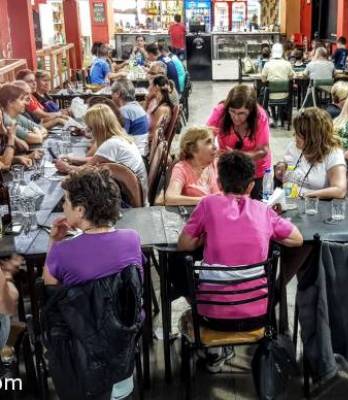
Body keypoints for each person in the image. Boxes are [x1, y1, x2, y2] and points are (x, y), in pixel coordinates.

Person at [177, 151, 303, 371]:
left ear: (218, 182)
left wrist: (205, 238)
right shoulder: (263, 211)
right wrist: (267, 233)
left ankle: (215, 352)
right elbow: (297, 239)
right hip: (258, 315)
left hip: (211, 315)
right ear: (251, 186)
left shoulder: (207, 205)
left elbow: (185, 245)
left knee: (180, 273)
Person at [42, 167, 143, 399]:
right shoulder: (132, 239)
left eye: (66, 201)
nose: (63, 206)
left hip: (82, 353)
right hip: (124, 342)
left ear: (80, 209)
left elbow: (51, 294)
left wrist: (54, 243)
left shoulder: (63, 252)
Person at [55, 104, 148, 201]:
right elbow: (98, 159)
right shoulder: (120, 137)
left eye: (90, 128)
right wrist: (72, 159)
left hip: (128, 201)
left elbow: (84, 172)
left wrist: (66, 167)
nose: (87, 130)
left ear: (98, 128)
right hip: (137, 194)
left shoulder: (110, 144)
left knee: (70, 195)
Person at [207, 85, 271, 200]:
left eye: (241, 113)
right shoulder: (220, 111)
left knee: (255, 205)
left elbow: (262, 151)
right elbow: (205, 137)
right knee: (228, 206)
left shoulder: (260, 116)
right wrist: (210, 149)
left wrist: (235, 155)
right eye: (232, 111)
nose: (236, 117)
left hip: (256, 170)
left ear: (250, 111)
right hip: (229, 168)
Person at [279, 108, 347, 199]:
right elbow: (285, 175)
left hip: (316, 206)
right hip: (289, 201)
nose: (294, 136)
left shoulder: (333, 153)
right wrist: (280, 171)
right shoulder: (293, 146)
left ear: (313, 136)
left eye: (298, 133)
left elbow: (339, 190)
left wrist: (305, 195)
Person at [156, 127, 219, 206]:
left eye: (213, 142)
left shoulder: (217, 164)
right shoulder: (182, 169)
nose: (215, 147)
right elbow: (170, 199)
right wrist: (207, 200)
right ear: (193, 149)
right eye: (208, 142)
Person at [111, 79, 150, 156]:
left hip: (136, 154)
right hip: (142, 151)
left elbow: (121, 137)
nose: (111, 96)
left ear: (118, 94)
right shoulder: (136, 105)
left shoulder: (125, 110)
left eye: (112, 93)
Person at [261, 43, 295, 126]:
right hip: (285, 95)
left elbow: (263, 79)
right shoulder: (287, 64)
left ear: (272, 52)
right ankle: (280, 117)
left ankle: (272, 117)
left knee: (266, 92)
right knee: (280, 93)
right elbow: (292, 76)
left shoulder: (267, 64)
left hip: (270, 95)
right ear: (282, 52)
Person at [145, 75, 175, 140]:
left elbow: (154, 135)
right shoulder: (156, 103)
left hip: (148, 142)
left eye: (150, 85)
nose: (148, 88)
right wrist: (147, 100)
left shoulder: (161, 109)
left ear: (156, 87)